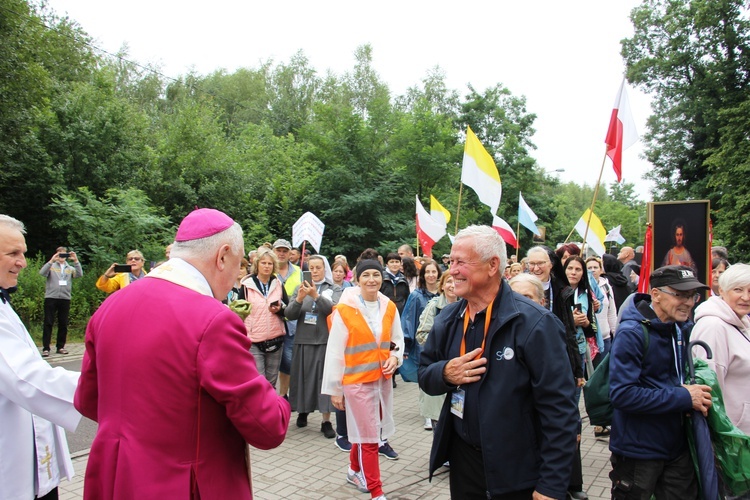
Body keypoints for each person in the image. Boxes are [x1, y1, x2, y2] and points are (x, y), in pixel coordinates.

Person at [75, 208, 291, 499]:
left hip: (116, 477)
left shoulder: (110, 307)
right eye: (238, 264)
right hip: (184, 483)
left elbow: (88, 401)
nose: (234, 280)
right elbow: (268, 427)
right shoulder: (214, 319)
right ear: (223, 256)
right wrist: (281, 399)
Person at [420, 226, 578, 499]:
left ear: (493, 265)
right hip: (464, 463)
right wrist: (445, 373)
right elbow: (424, 375)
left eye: (461, 262)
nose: (452, 270)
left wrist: (551, 484)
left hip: (519, 470)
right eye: (451, 261)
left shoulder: (535, 323)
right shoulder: (448, 318)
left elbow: (559, 410)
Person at [609, 265, 712, 500]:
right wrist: (685, 397)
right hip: (638, 451)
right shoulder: (632, 332)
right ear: (656, 294)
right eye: (680, 295)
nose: (688, 302)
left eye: (692, 296)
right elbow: (622, 394)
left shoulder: (680, 327)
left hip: (676, 447)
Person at [0, 215, 82, 500]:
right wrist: (103, 384)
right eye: (12, 253)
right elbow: (25, 376)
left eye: (23, 253)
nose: (22, 262)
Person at [322, 259, 404, 500]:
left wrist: (395, 358)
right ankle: (377, 492)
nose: (371, 279)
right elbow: (335, 352)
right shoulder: (345, 309)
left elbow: (397, 340)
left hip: (381, 380)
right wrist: (335, 389)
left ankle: (353, 470)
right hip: (356, 382)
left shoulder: (389, 306)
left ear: (382, 278)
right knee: (370, 438)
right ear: (357, 279)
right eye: (366, 275)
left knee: (363, 431)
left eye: (376, 275)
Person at [285, 254, 342, 437]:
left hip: (326, 342)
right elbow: (289, 314)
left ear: (325, 270)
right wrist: (300, 298)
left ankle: (326, 421)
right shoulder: (299, 288)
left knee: (324, 381)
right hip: (303, 340)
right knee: (303, 379)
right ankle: (303, 411)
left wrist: (316, 296)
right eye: (312, 268)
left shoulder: (334, 288)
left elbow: (334, 310)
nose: (315, 271)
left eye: (319, 268)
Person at [691, 263, 750, 435]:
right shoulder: (714, 326)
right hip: (730, 435)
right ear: (722, 291)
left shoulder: (742, 322)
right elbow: (710, 388)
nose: (745, 297)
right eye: (738, 290)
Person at [401, 259, 441, 429]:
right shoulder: (416, 296)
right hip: (422, 343)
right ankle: (427, 413)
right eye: (427, 272)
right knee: (424, 376)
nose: (431, 275)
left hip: (442, 343)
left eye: (434, 271)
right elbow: (408, 320)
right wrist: (407, 344)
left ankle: (437, 408)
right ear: (423, 275)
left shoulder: (444, 294)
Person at [240, 247, 288, 387]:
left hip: (275, 338)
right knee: (259, 380)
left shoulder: (278, 283)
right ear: (257, 264)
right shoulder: (246, 285)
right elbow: (240, 311)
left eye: (270, 263)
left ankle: (271, 408)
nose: (267, 266)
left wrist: (279, 310)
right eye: (263, 263)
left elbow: (287, 309)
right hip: (254, 339)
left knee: (272, 382)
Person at [415, 272, 457, 431]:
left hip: (459, 367)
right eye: (449, 281)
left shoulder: (468, 304)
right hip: (438, 365)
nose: (452, 285)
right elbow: (421, 334)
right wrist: (442, 345)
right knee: (439, 423)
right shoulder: (434, 306)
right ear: (442, 285)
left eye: (456, 281)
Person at [39, 247, 83, 357]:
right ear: (56, 254)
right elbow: (42, 273)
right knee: (48, 322)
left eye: (64, 255)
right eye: (60, 254)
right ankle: (46, 348)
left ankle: (60, 347)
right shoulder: (52, 266)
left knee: (63, 323)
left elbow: (79, 274)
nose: (62, 257)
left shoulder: (70, 268)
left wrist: (76, 261)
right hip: (51, 297)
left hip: (65, 298)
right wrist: (51, 261)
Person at [273, 238, 303, 398]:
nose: (282, 254)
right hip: (272, 322)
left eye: (285, 251)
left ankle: (284, 394)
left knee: (288, 362)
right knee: (274, 363)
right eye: (279, 250)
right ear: (274, 251)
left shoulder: (298, 271)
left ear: (290, 253)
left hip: (292, 324)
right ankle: (278, 396)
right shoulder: (267, 269)